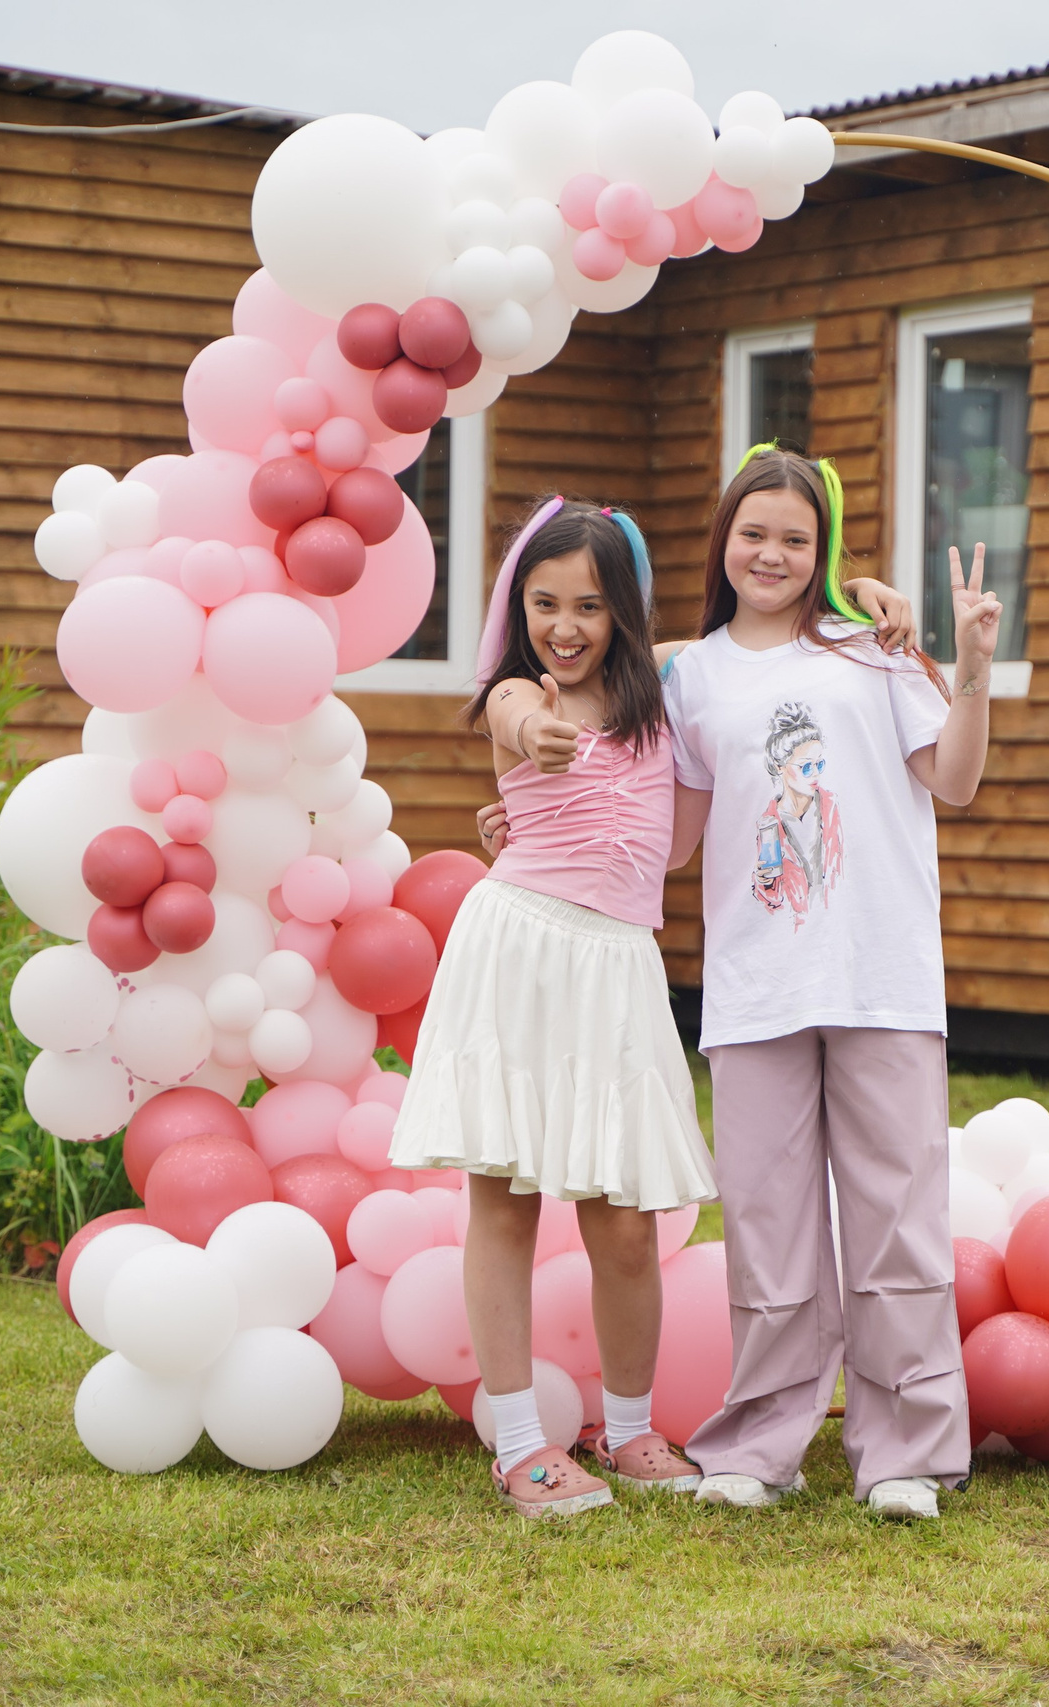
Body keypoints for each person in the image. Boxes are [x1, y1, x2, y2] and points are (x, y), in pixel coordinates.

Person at [392, 495, 911, 1519]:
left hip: (618, 967)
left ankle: (625, 1433)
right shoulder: (516, 694)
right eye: (543, 605)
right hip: (522, 950)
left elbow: (763, 628)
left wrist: (867, 600)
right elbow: (518, 717)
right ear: (517, 611)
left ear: (623, 613)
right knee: (504, 1201)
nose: (566, 628)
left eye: (588, 606)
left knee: (626, 1223)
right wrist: (535, 734)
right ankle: (519, 1446)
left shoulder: (669, 684)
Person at [661, 446, 999, 1522]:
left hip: (881, 978)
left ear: (825, 554)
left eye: (795, 540)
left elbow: (954, 779)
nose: (770, 554)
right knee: (765, 1223)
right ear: (723, 540)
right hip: (754, 987)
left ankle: (905, 1452)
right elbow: (669, 843)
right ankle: (762, 1445)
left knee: (897, 1220)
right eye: (752, 533)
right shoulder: (692, 676)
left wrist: (973, 664)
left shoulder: (876, 653)